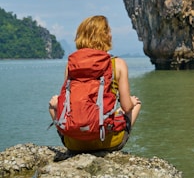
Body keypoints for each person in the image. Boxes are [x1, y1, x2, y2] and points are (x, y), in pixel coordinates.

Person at [48, 15, 141, 152]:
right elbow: (127, 108)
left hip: (74, 144)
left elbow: (66, 102)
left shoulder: (71, 65)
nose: (111, 34)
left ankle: (74, 138)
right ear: (105, 36)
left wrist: (56, 103)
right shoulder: (117, 64)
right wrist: (132, 102)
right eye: (108, 31)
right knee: (136, 104)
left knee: (52, 105)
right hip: (107, 141)